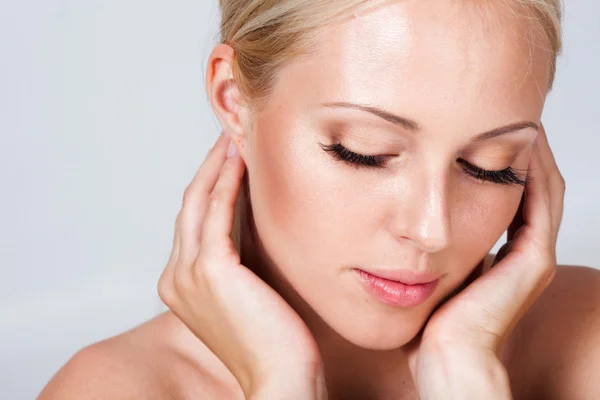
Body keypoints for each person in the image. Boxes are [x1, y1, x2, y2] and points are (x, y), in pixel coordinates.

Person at [39, 0, 600, 399]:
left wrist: (467, 373)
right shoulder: (111, 389)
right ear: (234, 100)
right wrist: (281, 381)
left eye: (490, 166)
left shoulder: (584, 338)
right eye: (364, 152)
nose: (432, 229)